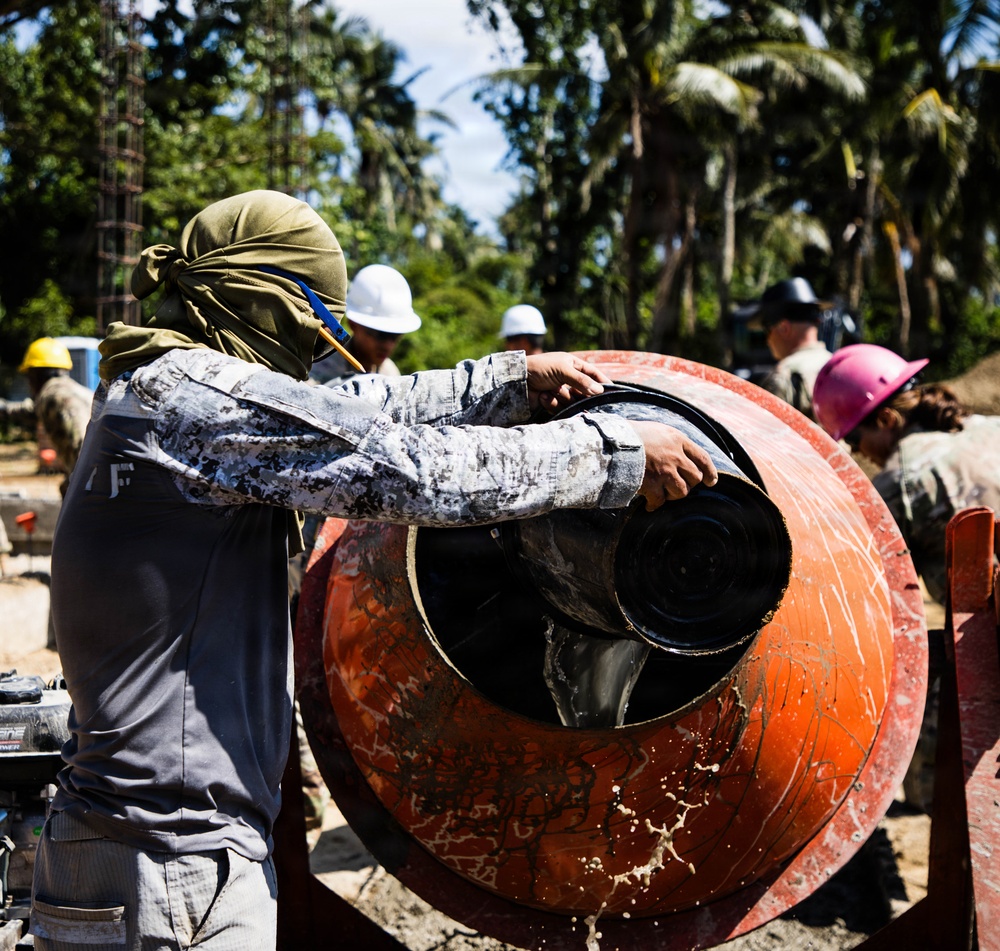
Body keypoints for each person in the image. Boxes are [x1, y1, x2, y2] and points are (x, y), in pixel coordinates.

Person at [30, 190, 718, 951]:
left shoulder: (155, 388)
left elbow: (347, 406)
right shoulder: (189, 404)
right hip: (163, 869)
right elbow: (402, 467)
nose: (312, 357)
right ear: (270, 305)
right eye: (313, 333)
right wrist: (610, 454)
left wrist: (506, 385)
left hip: (162, 853)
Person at [813, 342, 1000, 605]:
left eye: (854, 440)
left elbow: (861, 591)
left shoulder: (897, 484)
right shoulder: (994, 427)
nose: (856, 452)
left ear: (886, 420)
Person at [0, 337, 94, 494]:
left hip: (90, 476)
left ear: (36, 375)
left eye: (28, 377)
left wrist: (77, 485)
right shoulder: (80, 392)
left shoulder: (51, 395)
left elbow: (81, 444)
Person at [309, 263, 420, 385]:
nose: (388, 346)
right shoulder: (320, 368)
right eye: (381, 335)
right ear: (353, 325)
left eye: (396, 336)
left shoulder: (390, 375)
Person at [745, 278, 833, 419]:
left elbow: (766, 437)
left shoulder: (783, 376)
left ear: (784, 328)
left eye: (767, 331)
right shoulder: (838, 366)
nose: (767, 341)